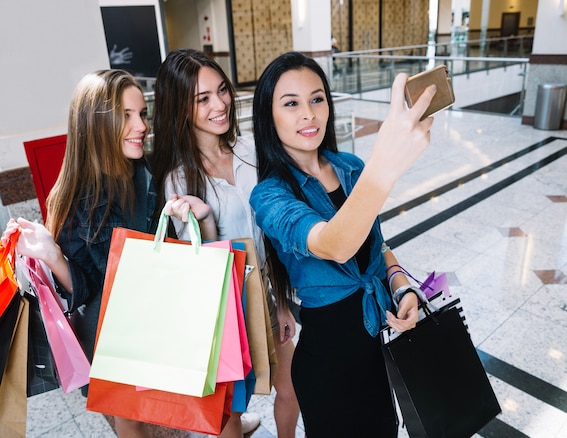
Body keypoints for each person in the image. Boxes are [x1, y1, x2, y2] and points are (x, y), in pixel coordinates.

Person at [1, 69, 214, 438]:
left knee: (182, 403)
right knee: (128, 415)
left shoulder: (148, 174)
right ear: (96, 125)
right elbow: (82, 290)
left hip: (157, 317)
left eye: (143, 114)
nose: (141, 125)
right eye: (127, 116)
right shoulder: (73, 196)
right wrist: (53, 256)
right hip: (109, 331)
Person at [248, 51, 435, 437]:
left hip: (378, 353)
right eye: (291, 104)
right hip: (327, 366)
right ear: (269, 117)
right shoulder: (269, 196)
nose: (308, 114)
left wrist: (403, 290)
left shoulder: (350, 166)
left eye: (317, 99)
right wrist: (387, 163)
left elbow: (378, 247)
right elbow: (334, 244)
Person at [150, 48, 301, 438]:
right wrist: (207, 222)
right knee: (230, 412)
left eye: (222, 91)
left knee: (291, 386)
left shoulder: (250, 151)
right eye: (203, 99)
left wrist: (282, 304)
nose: (220, 105)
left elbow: (272, 238)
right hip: (222, 307)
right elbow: (202, 267)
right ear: (180, 108)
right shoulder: (180, 181)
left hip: (267, 288)